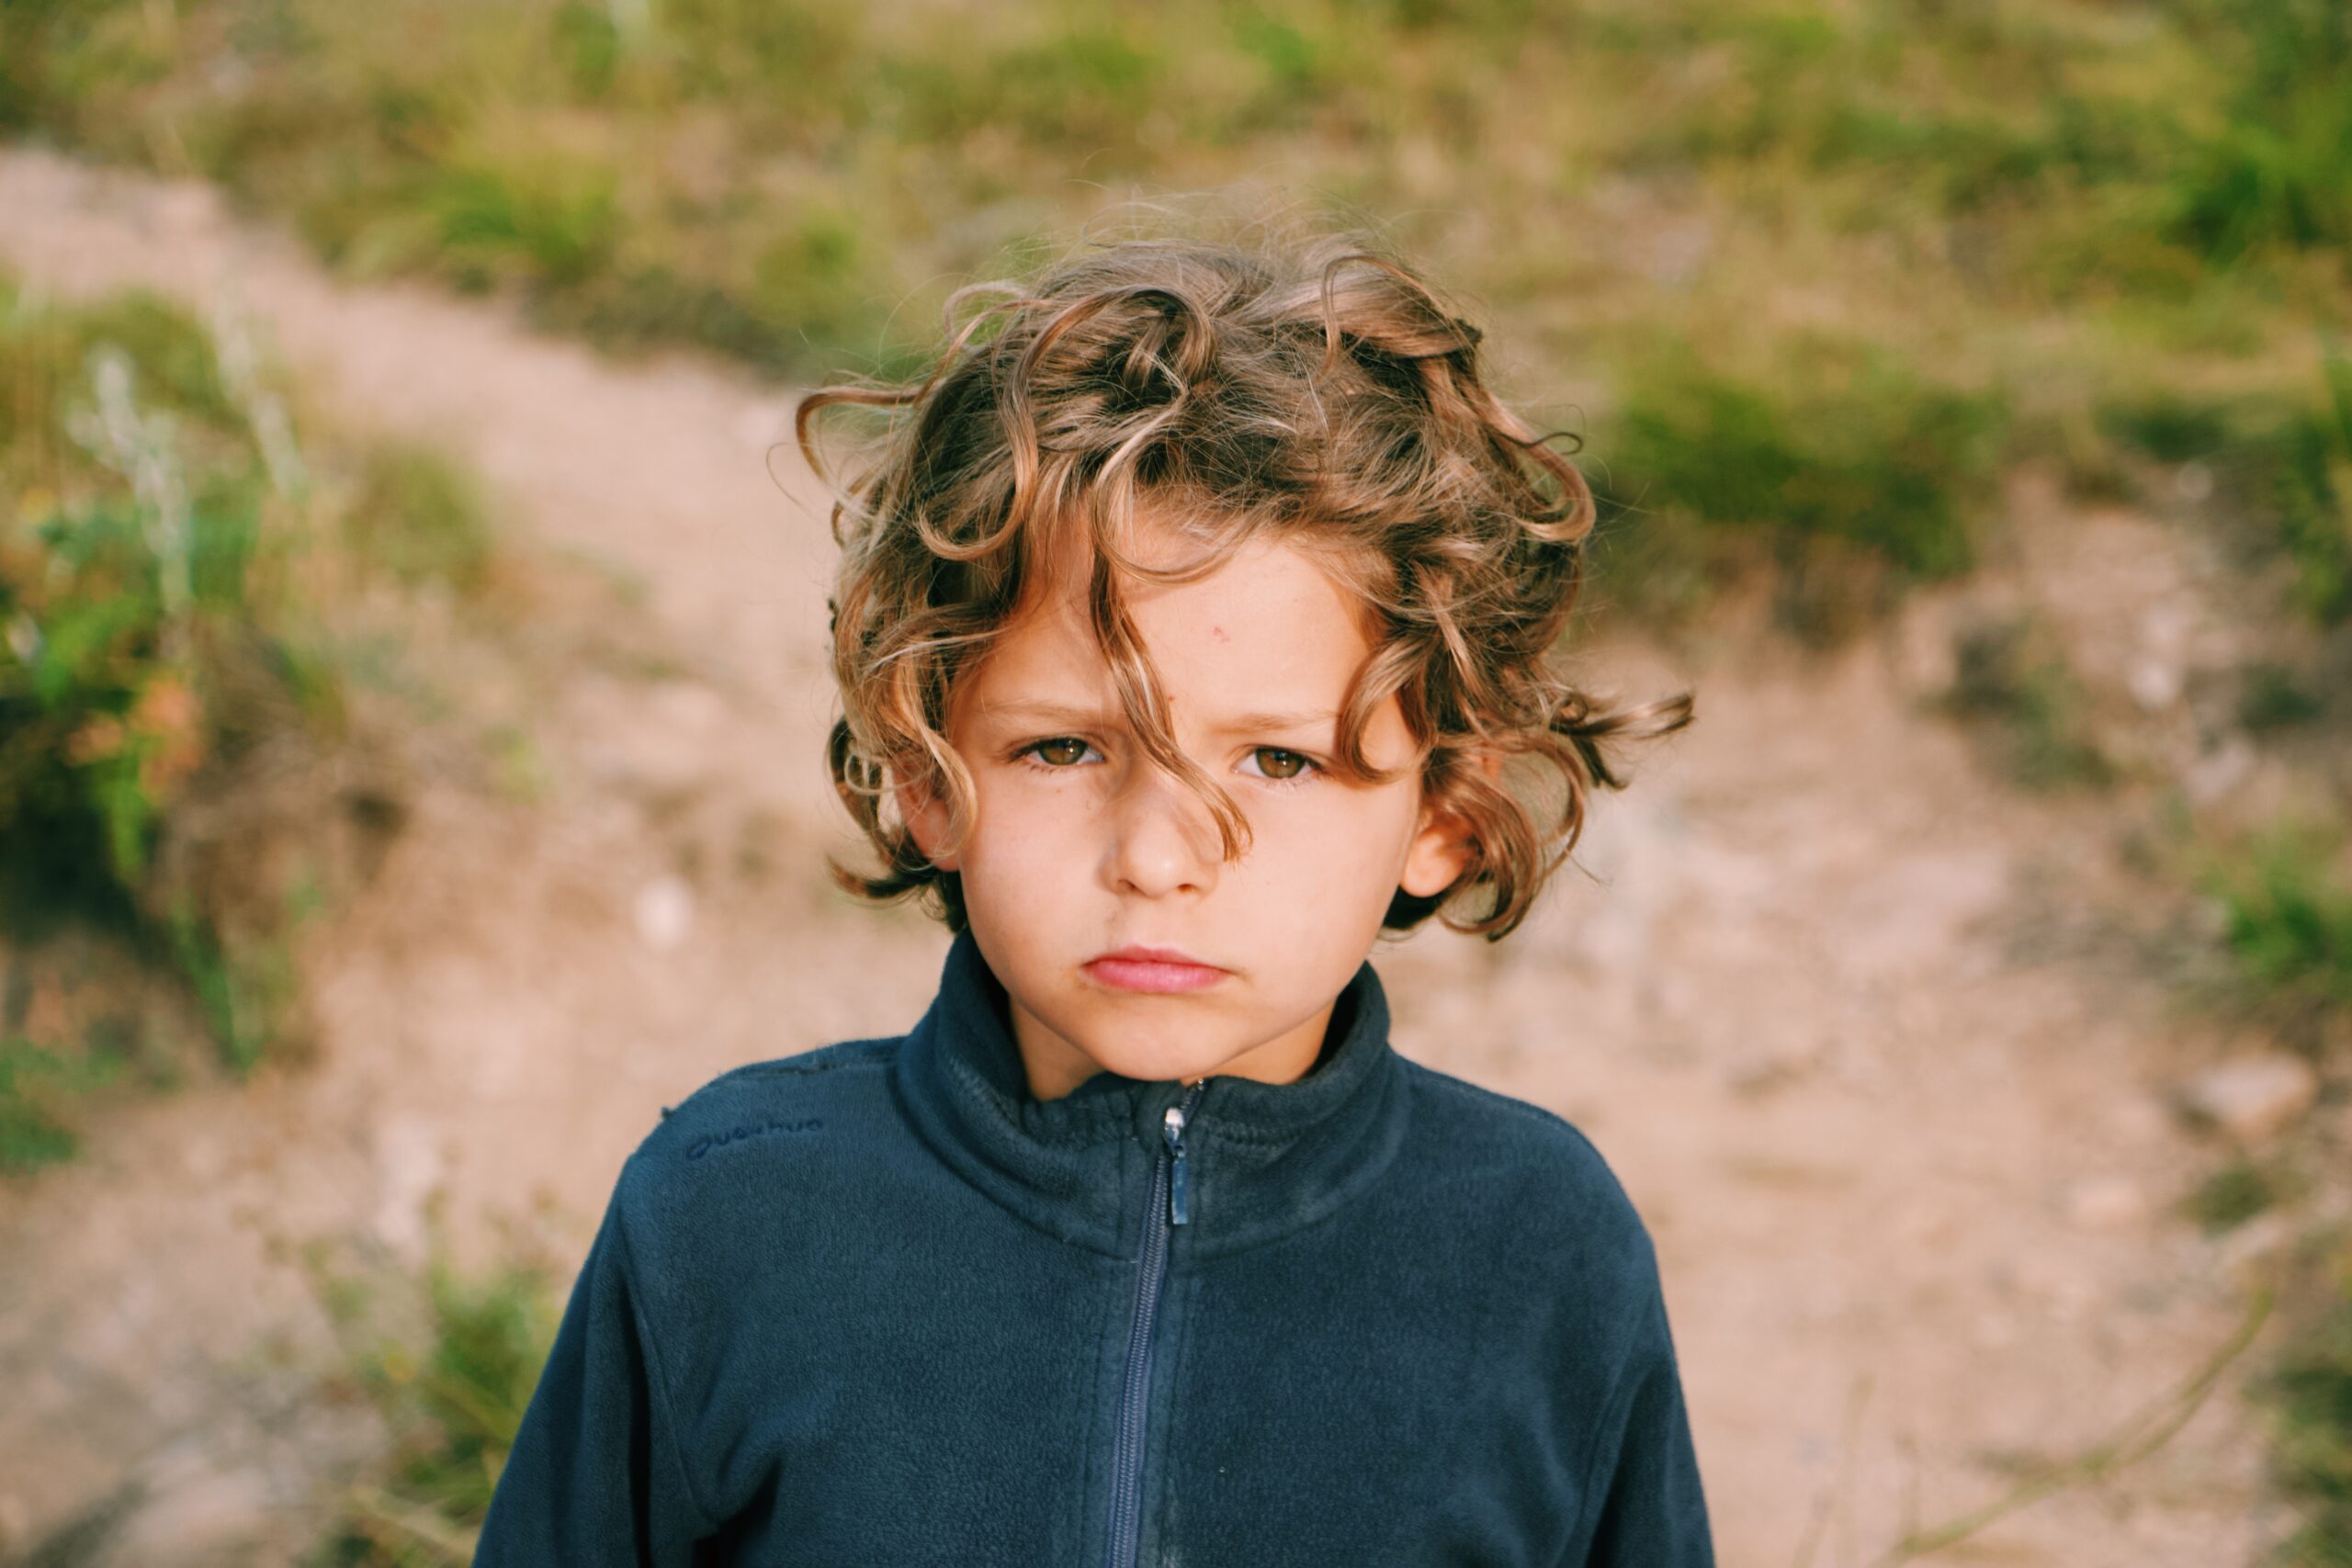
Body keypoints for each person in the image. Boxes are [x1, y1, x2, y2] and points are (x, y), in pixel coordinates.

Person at [472, 219, 1711, 1566]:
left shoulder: (1538, 1249)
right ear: (930, 775)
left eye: (1280, 760)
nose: (1158, 858)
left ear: (1448, 815)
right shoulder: (730, 1213)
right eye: (1063, 748)